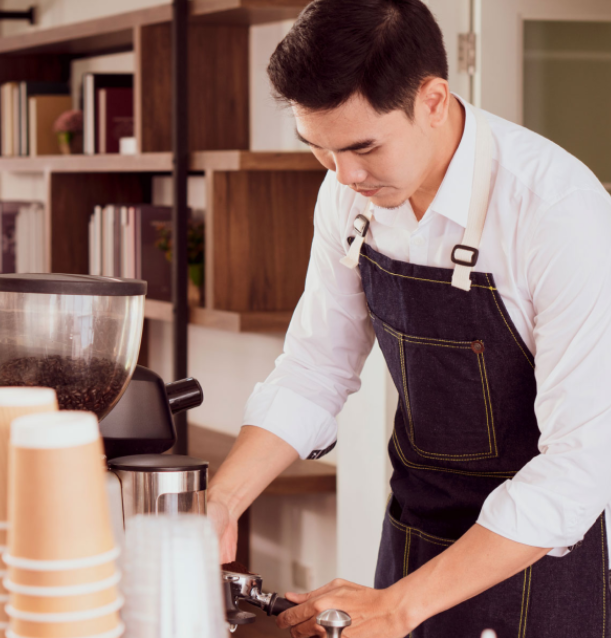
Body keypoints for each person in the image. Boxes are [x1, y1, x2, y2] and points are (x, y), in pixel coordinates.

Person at [206, 1, 611, 636]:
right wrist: (220, 502)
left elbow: (579, 467)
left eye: (364, 146)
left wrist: (402, 605)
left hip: (534, 562)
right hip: (412, 539)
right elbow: (316, 368)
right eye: (320, 149)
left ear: (432, 100)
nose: (344, 174)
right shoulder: (348, 191)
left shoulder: (558, 212)